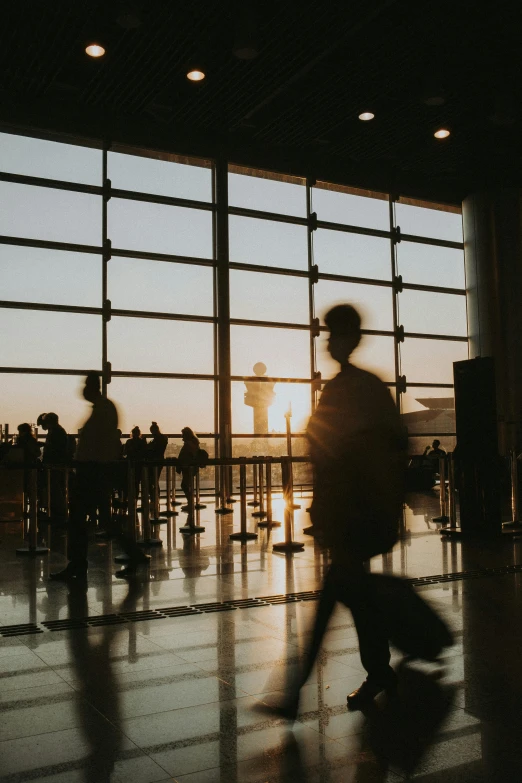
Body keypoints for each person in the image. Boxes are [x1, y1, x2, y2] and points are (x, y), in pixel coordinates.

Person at [272, 304, 407, 715]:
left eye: (334, 334)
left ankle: (294, 691)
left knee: (336, 595)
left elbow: (335, 453)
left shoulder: (350, 389)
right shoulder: (360, 387)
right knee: (355, 598)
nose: (329, 343)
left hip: (356, 516)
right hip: (358, 515)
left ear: (349, 338)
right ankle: (375, 672)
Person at [49, 372, 146, 581]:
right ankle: (132, 554)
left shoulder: (103, 409)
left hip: (92, 472)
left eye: (86, 384)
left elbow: (99, 444)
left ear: (93, 386)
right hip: (96, 472)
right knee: (102, 521)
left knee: (78, 520)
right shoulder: (105, 408)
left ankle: (78, 564)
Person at [176, 427, 200, 521]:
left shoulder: (188, 444)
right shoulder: (194, 443)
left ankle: (190, 504)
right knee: (187, 485)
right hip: (191, 467)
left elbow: (184, 456)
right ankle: (190, 503)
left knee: (184, 485)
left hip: (187, 467)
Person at [146, 421, 168, 514]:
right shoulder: (163, 438)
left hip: (154, 462)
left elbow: (153, 450)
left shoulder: (156, 440)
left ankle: (153, 499)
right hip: (159, 461)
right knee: (155, 481)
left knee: (152, 481)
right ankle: (155, 499)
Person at [124, 426, 147, 495]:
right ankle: (136, 496)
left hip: (130, 463)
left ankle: (128, 497)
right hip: (139, 463)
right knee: (137, 481)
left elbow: (125, 452)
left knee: (129, 481)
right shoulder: (142, 442)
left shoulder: (129, 442)